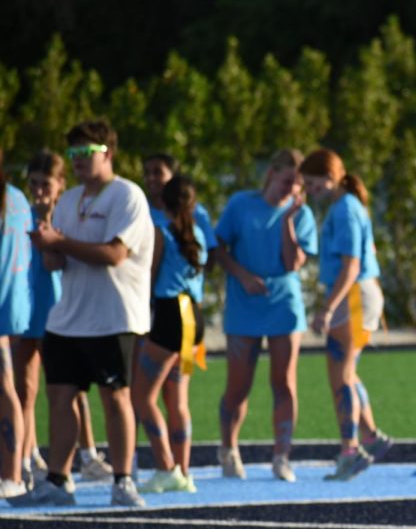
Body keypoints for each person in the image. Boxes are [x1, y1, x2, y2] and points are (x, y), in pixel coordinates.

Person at [14, 118, 155, 507]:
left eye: (85, 152)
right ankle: (58, 481)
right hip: (68, 318)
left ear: (107, 154)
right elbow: (57, 264)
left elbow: (114, 254)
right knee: (60, 397)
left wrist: (60, 241)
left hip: (114, 317)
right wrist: (46, 244)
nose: (77, 160)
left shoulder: (127, 196)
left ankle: (123, 480)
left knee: (115, 398)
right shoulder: (70, 199)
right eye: (73, 153)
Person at [212, 149, 318, 482]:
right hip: (244, 305)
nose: (292, 189)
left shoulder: (301, 214)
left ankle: (281, 456)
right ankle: (228, 449)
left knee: (284, 382)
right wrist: (241, 275)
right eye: (287, 181)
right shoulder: (241, 204)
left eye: (298, 185)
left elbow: (292, 264)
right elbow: (217, 248)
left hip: (283, 304)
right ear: (272, 173)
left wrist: (288, 219)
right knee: (238, 386)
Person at [16, 151, 113, 489]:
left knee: (73, 389)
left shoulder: (70, 218)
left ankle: (87, 455)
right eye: (33, 185)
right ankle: (28, 457)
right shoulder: (20, 216)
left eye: (46, 184)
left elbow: (55, 263)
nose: (39, 191)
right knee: (24, 389)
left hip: (62, 310)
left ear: (61, 185)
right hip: (25, 308)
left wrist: (50, 229)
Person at [299, 148, 393, 481]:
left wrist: (326, 308)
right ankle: (369, 437)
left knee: (341, 377)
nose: (310, 191)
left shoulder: (345, 210)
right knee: (347, 374)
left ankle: (350, 451)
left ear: (331, 177)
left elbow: (351, 266)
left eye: (313, 184)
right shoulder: (345, 207)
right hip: (354, 295)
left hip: (352, 297)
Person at [132, 175, 208, 493]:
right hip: (193, 318)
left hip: (168, 317)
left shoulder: (161, 232)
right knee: (177, 400)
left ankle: (165, 466)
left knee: (141, 396)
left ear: (163, 201)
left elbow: (149, 277)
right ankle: (184, 471)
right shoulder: (200, 234)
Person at [0, 148, 32, 498]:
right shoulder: (18, 197)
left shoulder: (11, 198)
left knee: (8, 387)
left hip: (5, 307)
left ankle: (12, 475)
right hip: (15, 306)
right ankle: (15, 470)